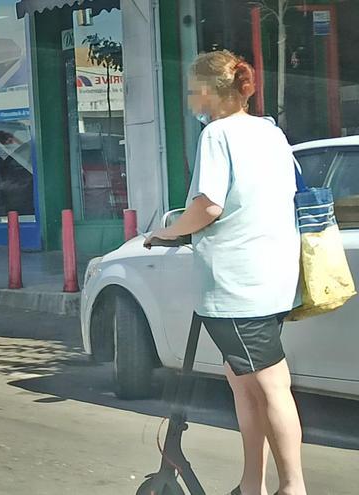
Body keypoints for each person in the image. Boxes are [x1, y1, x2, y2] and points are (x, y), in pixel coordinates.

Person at [146, 50, 305, 495]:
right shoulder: (271, 133)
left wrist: (166, 232)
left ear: (211, 92)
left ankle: (293, 487)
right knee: (244, 385)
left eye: (193, 91)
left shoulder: (217, 135)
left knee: (271, 385)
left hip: (238, 286)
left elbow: (208, 206)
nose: (191, 101)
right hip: (274, 278)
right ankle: (250, 485)